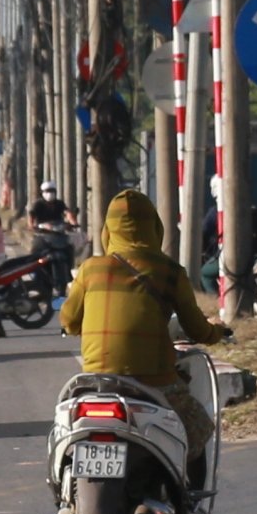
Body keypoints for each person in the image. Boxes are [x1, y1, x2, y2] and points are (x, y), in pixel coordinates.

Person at [62, 190, 233, 483]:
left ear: (108, 229)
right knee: (198, 429)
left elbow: (68, 320)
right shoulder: (169, 272)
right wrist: (217, 332)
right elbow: (196, 330)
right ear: (155, 227)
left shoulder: (90, 270)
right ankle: (192, 500)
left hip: (96, 382)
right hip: (153, 383)